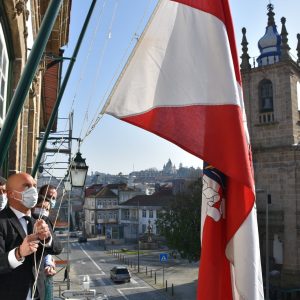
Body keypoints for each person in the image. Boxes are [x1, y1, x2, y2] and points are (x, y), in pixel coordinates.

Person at [0, 172, 62, 300]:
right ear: (11, 193)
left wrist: (47, 238)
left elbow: (57, 248)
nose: (33, 190)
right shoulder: (2, 221)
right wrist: (19, 253)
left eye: (34, 185)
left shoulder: (41, 219)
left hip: (39, 294)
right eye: (26, 186)